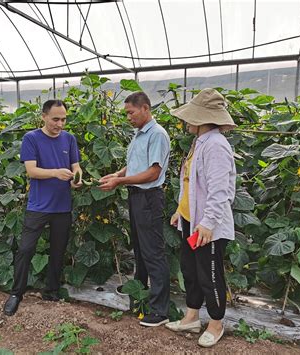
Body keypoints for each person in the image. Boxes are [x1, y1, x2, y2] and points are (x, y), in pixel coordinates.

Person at [165, 88, 237, 347]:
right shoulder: (201, 141)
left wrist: (207, 223)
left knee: (211, 274)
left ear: (202, 118)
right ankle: (191, 317)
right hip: (191, 220)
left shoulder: (216, 146)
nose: (185, 121)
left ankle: (216, 324)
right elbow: (191, 184)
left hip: (208, 226)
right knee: (191, 271)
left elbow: (220, 191)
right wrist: (179, 210)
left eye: (190, 116)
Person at [3, 99, 82, 316]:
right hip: (38, 206)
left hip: (62, 206)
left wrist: (77, 178)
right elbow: (31, 170)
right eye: (55, 119)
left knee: (58, 251)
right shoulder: (32, 138)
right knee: (26, 249)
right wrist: (56, 172)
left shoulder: (69, 139)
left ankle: (52, 291)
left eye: (63, 119)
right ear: (44, 116)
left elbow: (76, 166)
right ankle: (16, 293)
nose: (60, 124)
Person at [99, 91, 170, 327]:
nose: (128, 117)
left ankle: (160, 310)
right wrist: (118, 174)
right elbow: (135, 164)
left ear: (145, 108)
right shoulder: (139, 134)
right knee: (140, 249)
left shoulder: (157, 134)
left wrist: (119, 182)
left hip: (149, 197)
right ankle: (138, 296)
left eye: (131, 113)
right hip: (137, 196)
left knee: (153, 252)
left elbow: (153, 172)